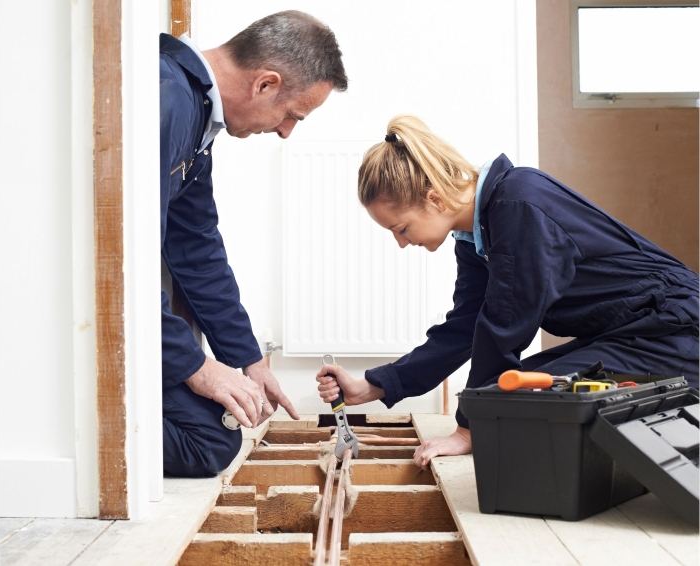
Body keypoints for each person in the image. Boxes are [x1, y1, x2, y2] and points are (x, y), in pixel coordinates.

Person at [317, 115, 699, 468]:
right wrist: (376, 384)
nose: (401, 243)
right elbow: (466, 328)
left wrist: (469, 428)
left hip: (674, 333)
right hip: (628, 334)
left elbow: (505, 326)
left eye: (400, 229)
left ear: (433, 199)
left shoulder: (519, 204)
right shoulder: (474, 238)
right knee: (507, 396)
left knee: (509, 405)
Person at [160, 11, 347, 477]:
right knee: (208, 441)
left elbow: (196, 246)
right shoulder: (167, 101)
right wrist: (198, 367)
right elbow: (120, 263)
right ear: (265, 84)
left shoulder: (196, 113)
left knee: (215, 433)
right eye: (292, 115)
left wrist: (246, 360)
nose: (286, 131)